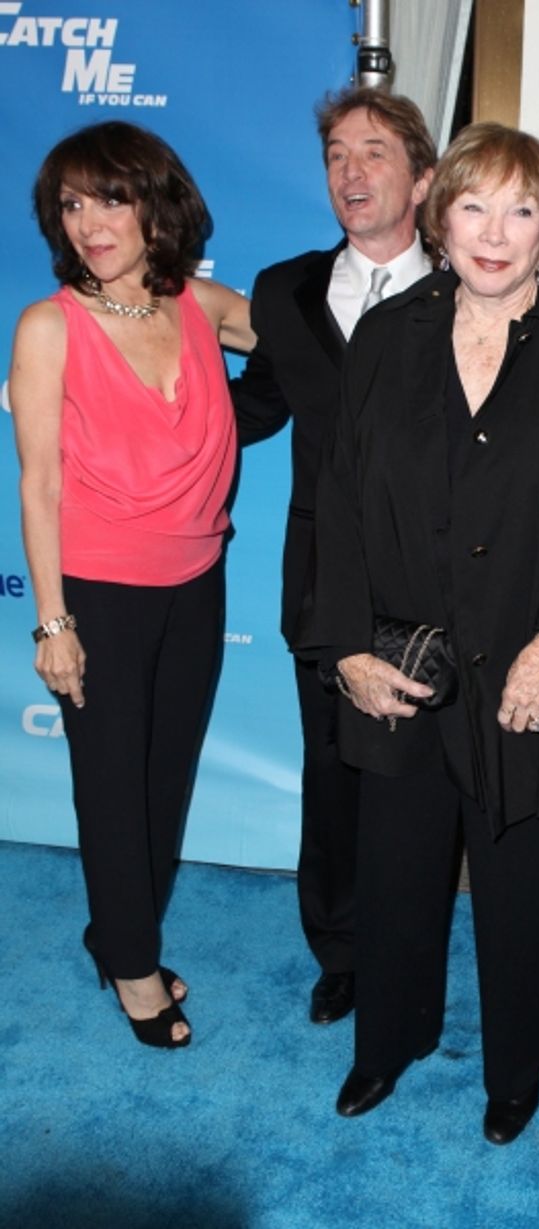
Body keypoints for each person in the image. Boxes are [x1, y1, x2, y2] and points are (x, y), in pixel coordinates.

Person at [298, 122, 539, 1143]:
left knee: (519, 895)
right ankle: (390, 1041)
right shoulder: (386, 337)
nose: (494, 233)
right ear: (439, 213)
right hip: (404, 666)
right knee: (397, 876)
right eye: (473, 206)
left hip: (530, 675)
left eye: (520, 210)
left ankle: (514, 1072)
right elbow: (336, 501)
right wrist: (347, 651)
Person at [9, 120, 253, 1048]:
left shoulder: (201, 305)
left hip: (199, 581)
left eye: (109, 198)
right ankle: (134, 968)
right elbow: (39, 483)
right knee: (111, 788)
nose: (89, 222)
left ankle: (117, 931)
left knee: (163, 781)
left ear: (157, 205)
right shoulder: (47, 327)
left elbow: (314, 347)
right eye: (71, 204)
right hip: (99, 590)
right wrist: (52, 622)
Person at [230, 87, 437, 1026]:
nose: (352, 173)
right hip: (322, 580)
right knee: (334, 774)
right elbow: (252, 408)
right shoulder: (283, 291)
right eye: (337, 157)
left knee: (429, 782)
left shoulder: (472, 284)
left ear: (423, 177)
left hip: (444, 578)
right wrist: (129, 402)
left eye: (375, 152)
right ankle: (343, 949)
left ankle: (415, 944)